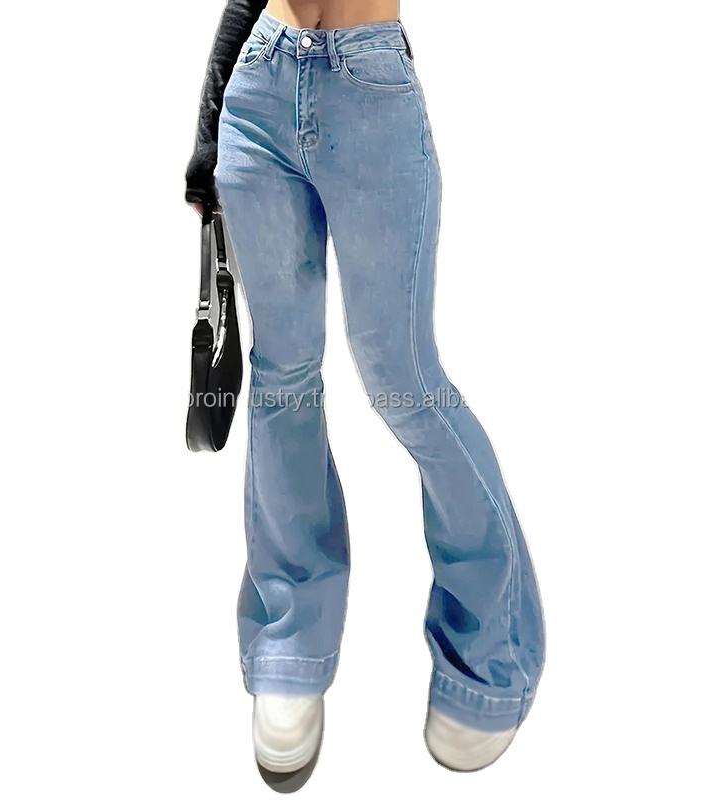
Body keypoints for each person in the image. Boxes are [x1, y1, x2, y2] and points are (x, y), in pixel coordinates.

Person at [185, 0, 545, 788]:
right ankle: (290, 642)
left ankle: (490, 653)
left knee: (405, 382)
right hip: (260, 83)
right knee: (282, 378)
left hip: (370, 83)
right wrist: (208, 135)